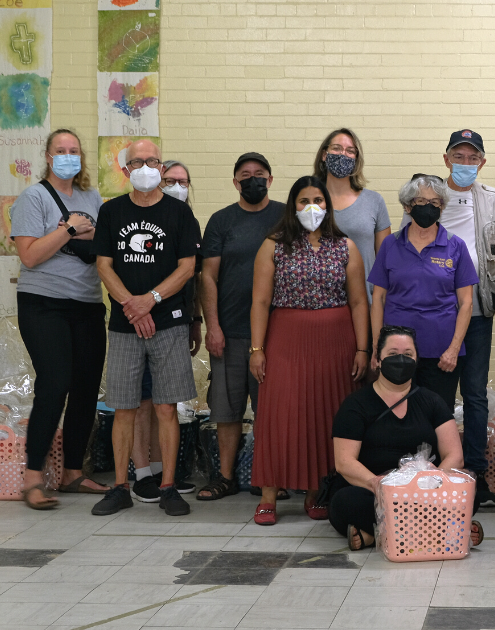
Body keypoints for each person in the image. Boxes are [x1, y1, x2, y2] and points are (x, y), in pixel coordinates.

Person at [249, 176, 370, 526]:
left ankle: (316, 492)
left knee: (326, 414)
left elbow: (359, 301)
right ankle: (269, 495)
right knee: (280, 414)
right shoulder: (273, 245)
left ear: (328, 206)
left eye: (318, 200)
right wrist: (257, 348)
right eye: (304, 201)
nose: (312, 207)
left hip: (336, 342)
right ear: (292, 206)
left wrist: (363, 348)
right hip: (286, 339)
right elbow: (259, 300)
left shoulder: (344, 246)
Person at [89, 139, 200, 518]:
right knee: (124, 407)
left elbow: (187, 267)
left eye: (152, 160)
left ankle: (168, 486)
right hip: (124, 325)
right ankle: (121, 486)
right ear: (125, 171)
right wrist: (133, 307)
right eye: (137, 161)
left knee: (167, 407)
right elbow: (104, 265)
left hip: (168, 323)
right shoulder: (111, 211)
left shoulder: (179, 214)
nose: (146, 167)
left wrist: (149, 300)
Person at [11, 129, 107, 509]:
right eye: (61, 150)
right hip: (43, 303)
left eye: (74, 151)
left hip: (87, 303)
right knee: (55, 384)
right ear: (48, 157)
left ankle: (71, 474)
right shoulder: (33, 197)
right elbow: (31, 256)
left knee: (86, 388)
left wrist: (67, 235)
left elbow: (103, 241)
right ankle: (33, 479)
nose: (68, 156)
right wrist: (70, 229)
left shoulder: (92, 197)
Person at [329, 325, 482, 550]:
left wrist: (432, 481)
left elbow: (454, 456)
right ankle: (442, 530)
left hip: (425, 491)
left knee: (471, 492)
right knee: (345, 503)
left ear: (417, 360)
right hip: (373, 491)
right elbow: (344, 462)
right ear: (378, 360)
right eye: (392, 354)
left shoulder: (432, 401)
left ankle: (376, 535)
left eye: (408, 355)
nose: (400, 360)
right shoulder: (355, 405)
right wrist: (378, 485)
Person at [420, 131, 495, 507]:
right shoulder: (428, 197)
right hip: (436, 311)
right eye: (459, 156)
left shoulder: (492, 200)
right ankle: (436, 471)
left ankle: (475, 472)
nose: (466, 163)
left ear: (482, 163)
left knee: (474, 395)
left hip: (478, 310)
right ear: (446, 159)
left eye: (472, 158)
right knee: (437, 394)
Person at [196, 152, 284, 501]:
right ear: (235, 182)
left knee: (269, 412)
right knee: (228, 411)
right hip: (230, 331)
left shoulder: (284, 217)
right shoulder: (221, 220)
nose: (253, 180)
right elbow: (208, 277)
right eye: (245, 175)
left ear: (271, 180)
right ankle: (226, 477)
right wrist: (211, 327)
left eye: (260, 174)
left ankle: (267, 478)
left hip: (275, 334)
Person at [370, 174, 477, 411]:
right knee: (395, 413)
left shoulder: (456, 245)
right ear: (407, 206)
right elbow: (377, 299)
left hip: (442, 353)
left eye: (435, 203)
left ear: (442, 207)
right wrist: (378, 348)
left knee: (437, 416)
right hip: (396, 350)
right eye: (421, 202)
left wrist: (454, 349)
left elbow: (466, 303)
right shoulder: (390, 244)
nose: (428, 207)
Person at [128, 159, 201, 503]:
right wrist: (141, 307)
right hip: (139, 320)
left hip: (175, 321)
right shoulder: (134, 215)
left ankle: (161, 471)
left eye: (183, 181)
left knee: (165, 403)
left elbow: (192, 276)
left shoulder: (186, 220)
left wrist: (195, 320)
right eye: (170, 179)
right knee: (142, 401)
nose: (176, 185)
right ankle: (142, 473)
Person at [312, 128, 391, 298]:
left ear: (356, 159)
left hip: (365, 299)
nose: (343, 155)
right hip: (321, 302)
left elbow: (385, 261)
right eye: (336, 148)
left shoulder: (374, 201)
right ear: (324, 155)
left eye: (350, 151)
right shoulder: (309, 201)